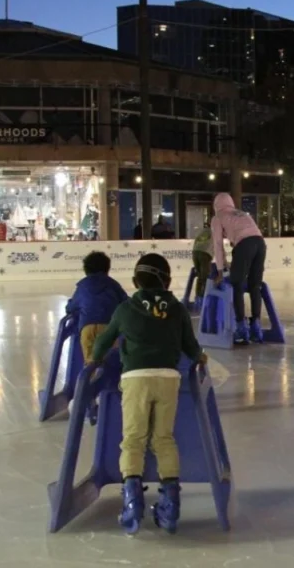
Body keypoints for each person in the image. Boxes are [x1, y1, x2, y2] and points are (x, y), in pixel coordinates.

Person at [88, 253, 205, 534]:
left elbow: (104, 341)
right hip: (167, 379)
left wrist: (94, 360)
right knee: (163, 439)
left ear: (135, 281)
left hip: (136, 379)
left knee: (133, 440)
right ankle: (171, 503)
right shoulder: (176, 308)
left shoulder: (126, 308)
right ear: (167, 281)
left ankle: (131, 501)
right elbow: (190, 345)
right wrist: (200, 357)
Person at [211, 192, 267, 345]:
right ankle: (256, 327)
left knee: (237, 284)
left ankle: (241, 328)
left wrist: (221, 271)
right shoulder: (241, 214)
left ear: (216, 205)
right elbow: (250, 234)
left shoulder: (218, 217)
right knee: (255, 286)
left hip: (245, 245)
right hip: (260, 244)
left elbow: (217, 244)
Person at [65, 251, 129, 363]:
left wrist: (70, 304)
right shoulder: (113, 284)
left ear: (86, 269)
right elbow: (126, 303)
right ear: (107, 268)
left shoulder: (82, 286)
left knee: (90, 361)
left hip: (87, 327)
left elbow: (71, 307)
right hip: (108, 328)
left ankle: (90, 378)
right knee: (110, 361)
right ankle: (109, 379)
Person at [191, 221, 213, 309]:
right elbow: (219, 248)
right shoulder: (215, 232)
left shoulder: (202, 231)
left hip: (195, 252)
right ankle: (204, 299)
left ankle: (198, 298)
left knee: (200, 276)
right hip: (205, 253)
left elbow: (196, 241)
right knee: (205, 278)